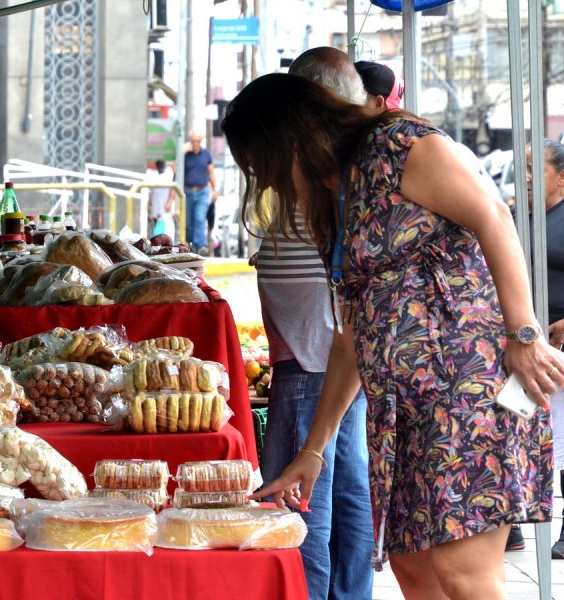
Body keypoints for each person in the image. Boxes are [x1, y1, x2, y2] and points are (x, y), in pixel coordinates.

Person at [223, 73, 557, 599]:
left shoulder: (399, 146)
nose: (265, 182)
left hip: (463, 394)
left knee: (462, 576)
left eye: (261, 164)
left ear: (291, 139)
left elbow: (494, 217)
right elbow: (350, 334)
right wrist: (313, 451)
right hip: (399, 412)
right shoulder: (337, 196)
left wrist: (524, 332)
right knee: (414, 573)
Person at [250, 46, 373, 600]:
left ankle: (313, 592)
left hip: (315, 360)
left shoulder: (324, 164)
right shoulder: (334, 165)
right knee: (344, 489)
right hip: (334, 357)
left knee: (306, 503)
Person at [522, 139, 564, 558]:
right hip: (525, 346)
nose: (528, 176)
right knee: (519, 430)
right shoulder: (520, 217)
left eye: (536, 168)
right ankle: (511, 521)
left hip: (560, 346)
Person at [183, 131, 219, 255]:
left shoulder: (206, 154)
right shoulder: (185, 155)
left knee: (199, 218)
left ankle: (199, 245)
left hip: (202, 191)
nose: (195, 144)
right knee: (188, 222)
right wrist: (182, 150)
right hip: (188, 192)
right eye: (193, 141)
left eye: (197, 141)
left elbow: (211, 172)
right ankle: (190, 244)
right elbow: (174, 169)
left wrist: (216, 189)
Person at [147, 159, 176, 241]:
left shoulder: (167, 176)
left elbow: (150, 197)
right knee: (161, 232)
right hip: (160, 209)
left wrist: (169, 203)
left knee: (162, 232)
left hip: (163, 209)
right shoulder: (166, 177)